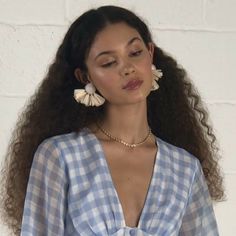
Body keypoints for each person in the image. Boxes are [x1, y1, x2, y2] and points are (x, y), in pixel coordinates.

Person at [0, 5, 225, 236]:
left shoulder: (185, 168)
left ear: (150, 53)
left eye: (135, 53)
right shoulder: (61, 156)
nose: (127, 68)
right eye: (108, 62)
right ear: (85, 76)